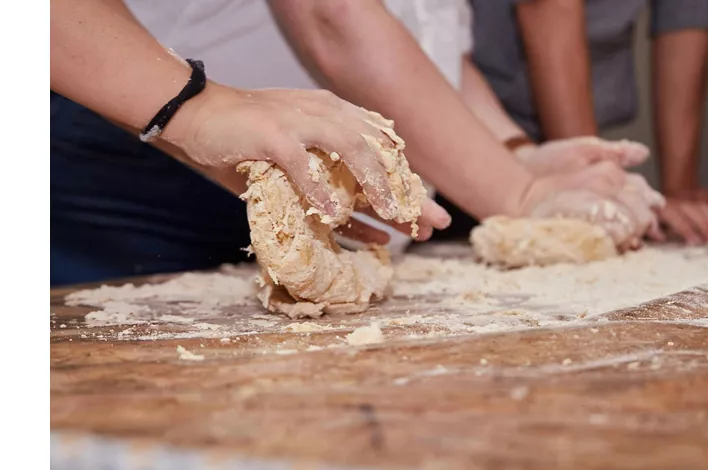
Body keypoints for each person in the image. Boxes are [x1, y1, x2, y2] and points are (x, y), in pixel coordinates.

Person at [51, 0, 663, 287]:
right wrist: (520, 194)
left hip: (273, 165)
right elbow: (332, 16)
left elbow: (431, 40)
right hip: (148, 159)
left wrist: (509, 151)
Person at [469, 0, 708, 245]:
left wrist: (681, 189)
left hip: (530, 140)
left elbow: (686, 11)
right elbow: (548, 5)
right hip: (474, 132)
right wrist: (601, 188)